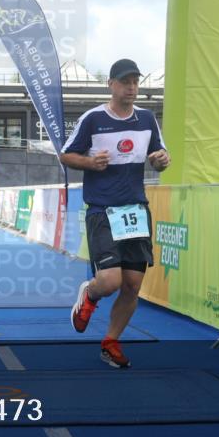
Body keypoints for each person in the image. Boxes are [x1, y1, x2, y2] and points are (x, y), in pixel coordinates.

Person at [62, 59, 170, 369]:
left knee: (133, 284)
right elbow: (66, 154)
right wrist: (89, 163)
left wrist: (162, 160)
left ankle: (110, 343)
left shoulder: (147, 119)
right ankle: (91, 295)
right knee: (109, 281)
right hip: (102, 210)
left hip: (135, 210)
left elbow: (161, 156)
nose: (132, 88)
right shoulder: (93, 119)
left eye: (136, 82)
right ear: (111, 84)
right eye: (125, 82)